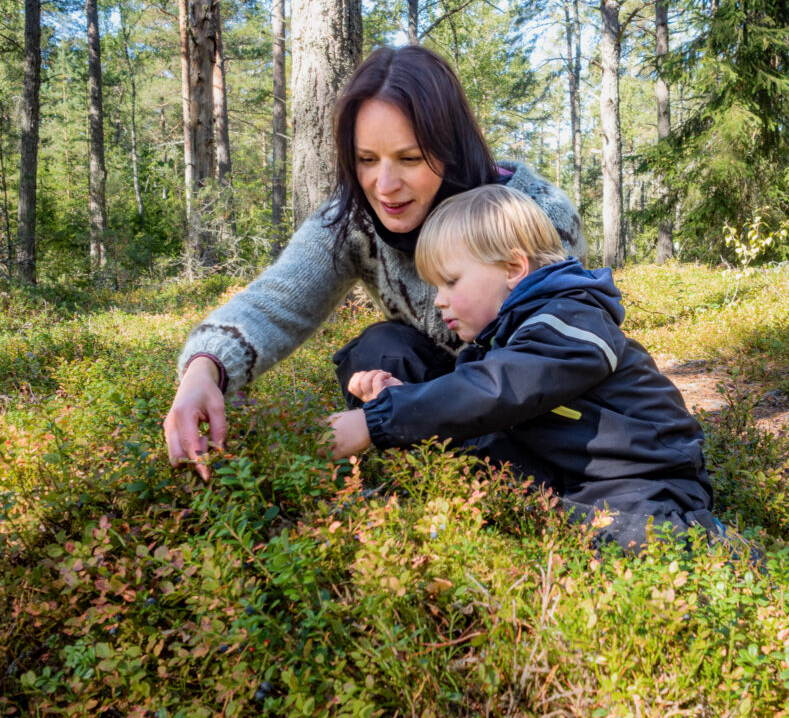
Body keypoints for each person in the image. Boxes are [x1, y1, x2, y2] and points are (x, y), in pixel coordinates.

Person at [163, 46, 584, 480]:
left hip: (526, 396)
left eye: (410, 158)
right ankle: (414, 490)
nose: (384, 186)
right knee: (382, 349)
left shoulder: (534, 215)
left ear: (451, 150)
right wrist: (203, 369)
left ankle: (500, 490)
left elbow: (547, 364)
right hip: (426, 394)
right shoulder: (352, 221)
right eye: (366, 160)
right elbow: (273, 302)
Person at [328, 185, 717, 550]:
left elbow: (499, 388)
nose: (439, 301)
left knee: (633, 544)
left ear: (514, 268)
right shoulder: (499, 339)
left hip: (647, 481)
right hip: (573, 479)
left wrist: (377, 421)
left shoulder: (572, 318)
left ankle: (710, 546)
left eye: (450, 282)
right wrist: (401, 398)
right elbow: (477, 413)